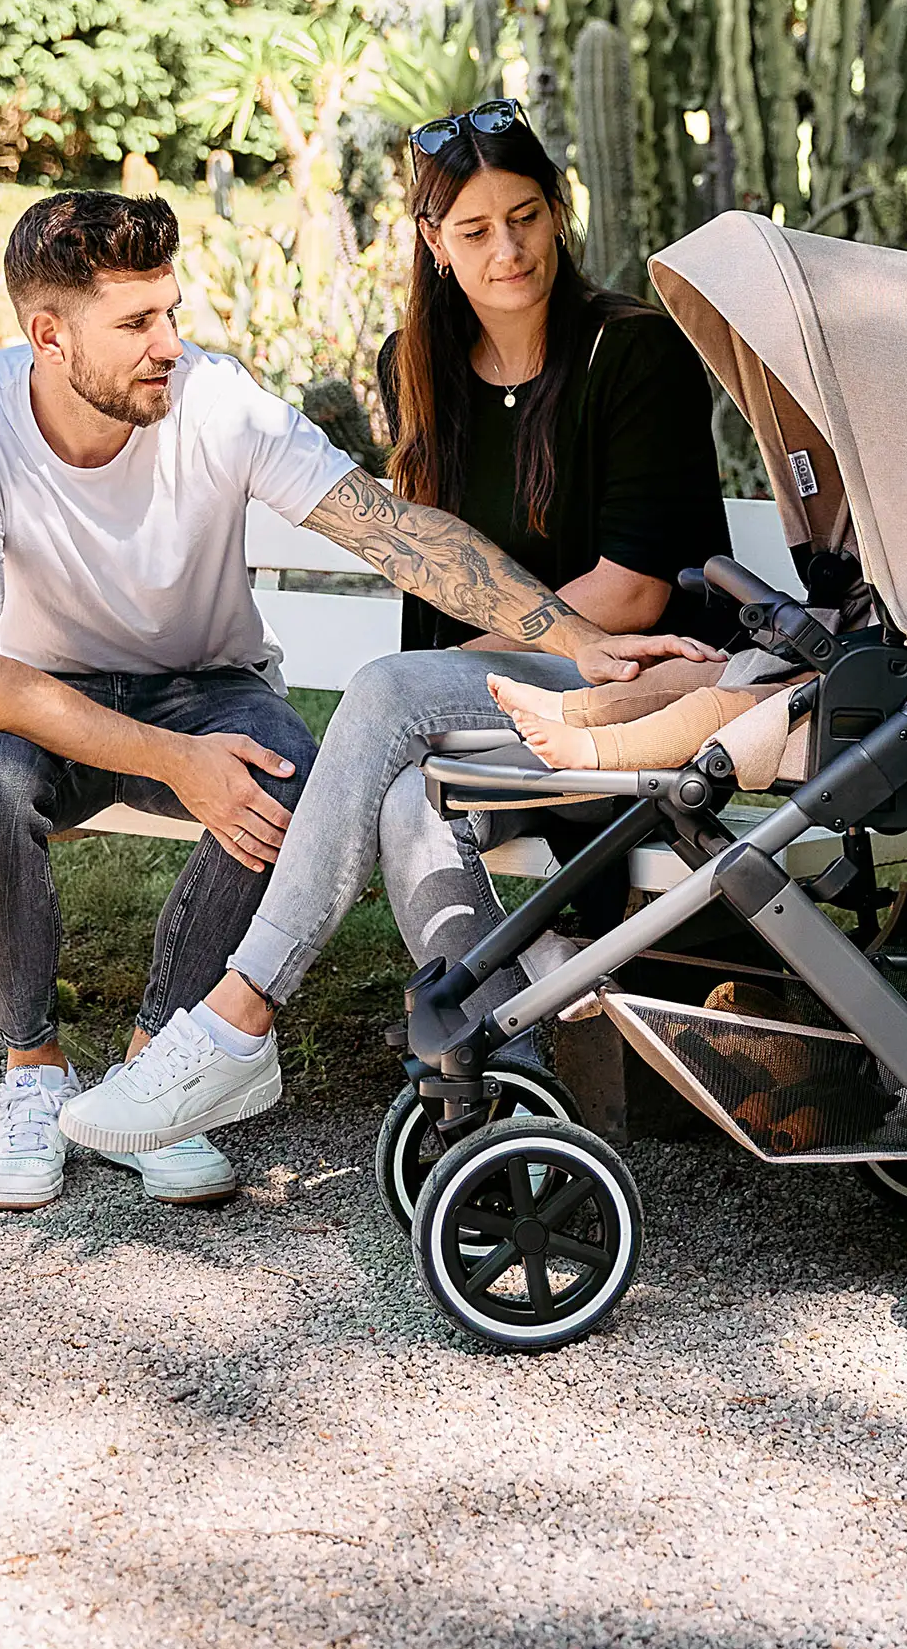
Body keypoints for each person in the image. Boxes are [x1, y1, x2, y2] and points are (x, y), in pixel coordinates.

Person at [0, 186, 702, 1214]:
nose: (169, 343)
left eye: (174, 311)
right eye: (138, 322)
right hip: (33, 692)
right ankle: (31, 1071)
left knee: (286, 773)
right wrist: (171, 761)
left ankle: (158, 1073)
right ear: (48, 335)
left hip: (204, 686)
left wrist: (575, 635)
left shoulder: (213, 399)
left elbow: (393, 531)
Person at [60, 102, 732, 1161]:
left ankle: (237, 1017)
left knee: (384, 707)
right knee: (402, 780)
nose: (507, 248)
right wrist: (421, 693)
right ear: (432, 242)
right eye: (473, 228)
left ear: (558, 214)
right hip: (498, 698)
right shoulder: (414, 364)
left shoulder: (631, 353)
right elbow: (431, 563)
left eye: (525, 216)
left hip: (645, 687)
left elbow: (637, 594)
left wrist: (418, 688)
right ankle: (502, 1067)